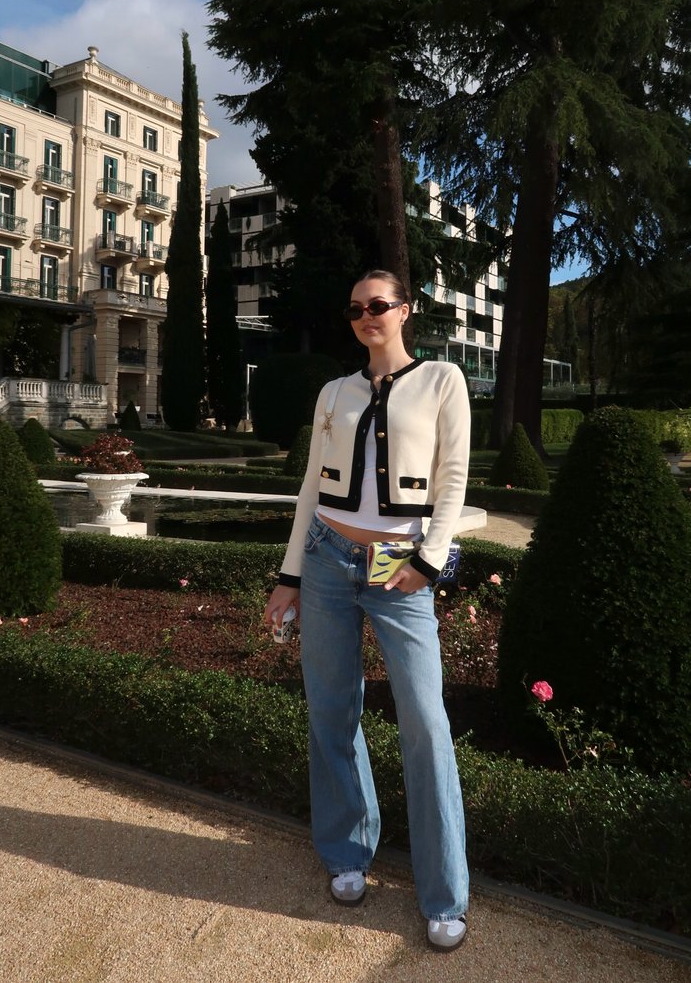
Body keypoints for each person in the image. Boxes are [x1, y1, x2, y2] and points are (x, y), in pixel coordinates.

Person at [265, 269, 470, 951]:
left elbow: (453, 477)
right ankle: (347, 852)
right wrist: (290, 576)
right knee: (331, 711)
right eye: (355, 308)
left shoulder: (442, 380)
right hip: (327, 558)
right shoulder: (334, 391)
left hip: (399, 567)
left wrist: (428, 562)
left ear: (405, 310)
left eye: (378, 305)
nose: (366, 316)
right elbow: (309, 488)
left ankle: (444, 893)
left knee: (426, 723)